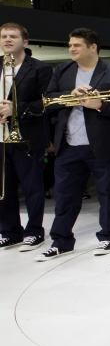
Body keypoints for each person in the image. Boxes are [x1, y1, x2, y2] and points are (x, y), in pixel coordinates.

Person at [37, 29, 110, 260]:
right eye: (70, 45)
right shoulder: (63, 70)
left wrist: (99, 105)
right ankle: (61, 241)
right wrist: (70, 94)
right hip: (68, 145)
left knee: (106, 194)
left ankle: (107, 237)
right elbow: (49, 101)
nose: (71, 49)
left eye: (77, 45)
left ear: (92, 47)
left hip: (101, 146)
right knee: (65, 196)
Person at [0, 23, 52, 252]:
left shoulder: (40, 68)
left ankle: (34, 231)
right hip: (1, 137)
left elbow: (46, 102)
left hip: (28, 137)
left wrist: (16, 109)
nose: (7, 40)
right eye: (3, 36)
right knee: (4, 189)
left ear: (25, 41)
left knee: (32, 188)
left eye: (13, 36)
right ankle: (10, 232)